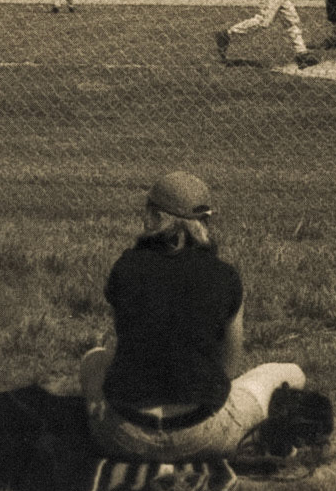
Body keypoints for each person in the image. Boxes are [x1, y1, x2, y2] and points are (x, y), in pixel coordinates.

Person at [79, 171, 306, 461]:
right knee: (292, 373)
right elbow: (228, 367)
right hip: (202, 435)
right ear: (203, 222)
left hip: (125, 437)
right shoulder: (224, 276)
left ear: (153, 216)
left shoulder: (124, 268)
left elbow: (124, 346)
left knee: (93, 359)